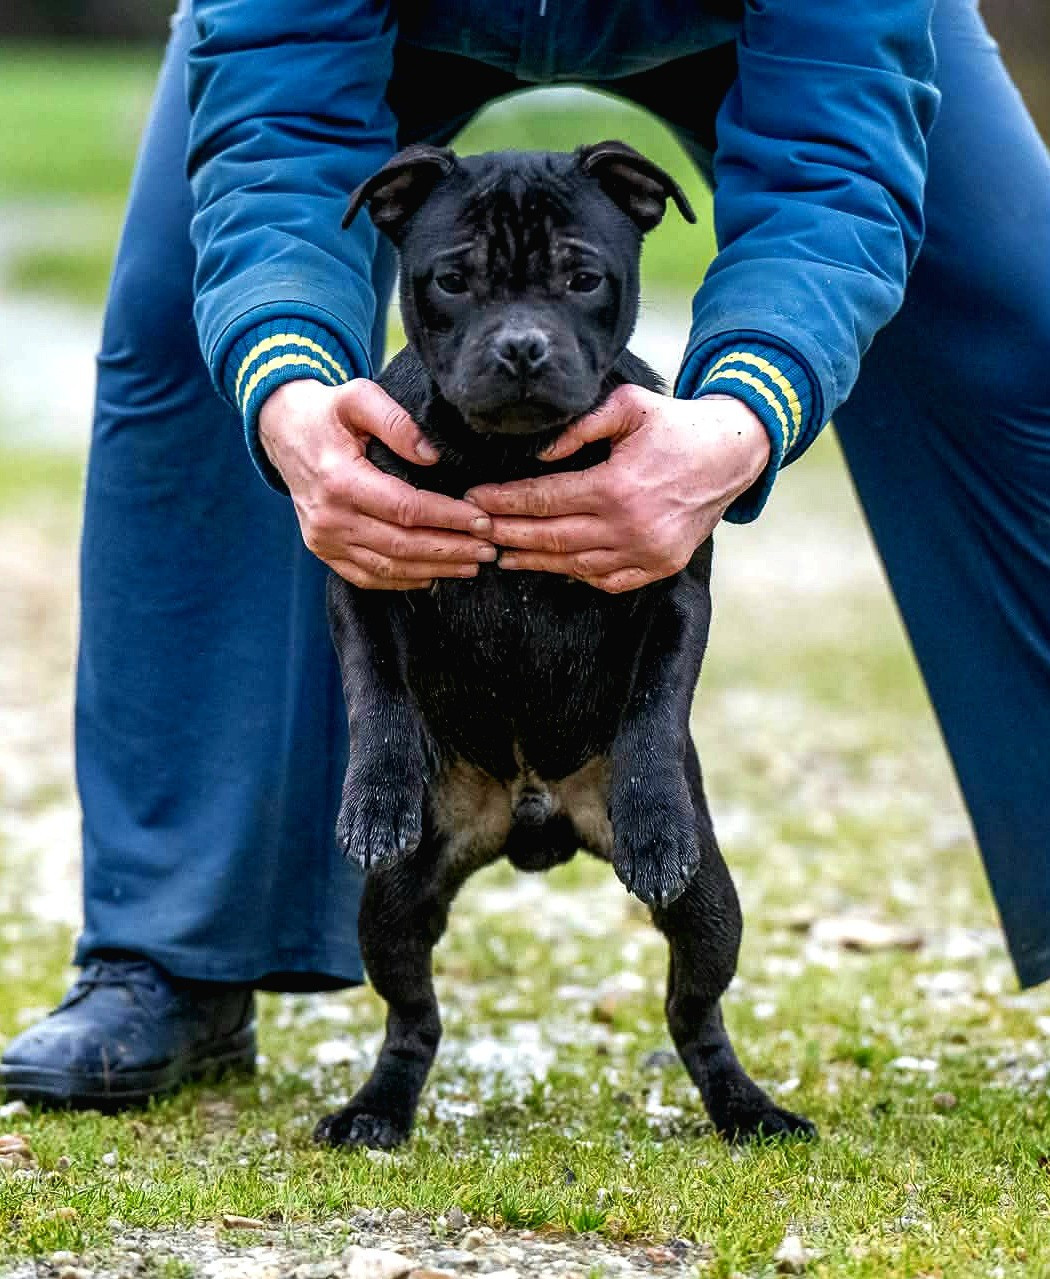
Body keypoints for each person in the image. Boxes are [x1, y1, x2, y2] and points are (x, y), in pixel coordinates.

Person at [2, 0, 1048, 1107]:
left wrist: (748, 407)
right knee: (186, 325)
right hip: (381, 21)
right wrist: (282, 378)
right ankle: (173, 955)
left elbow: (835, 157)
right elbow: (278, 128)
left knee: (1022, 322)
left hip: (763, 22)